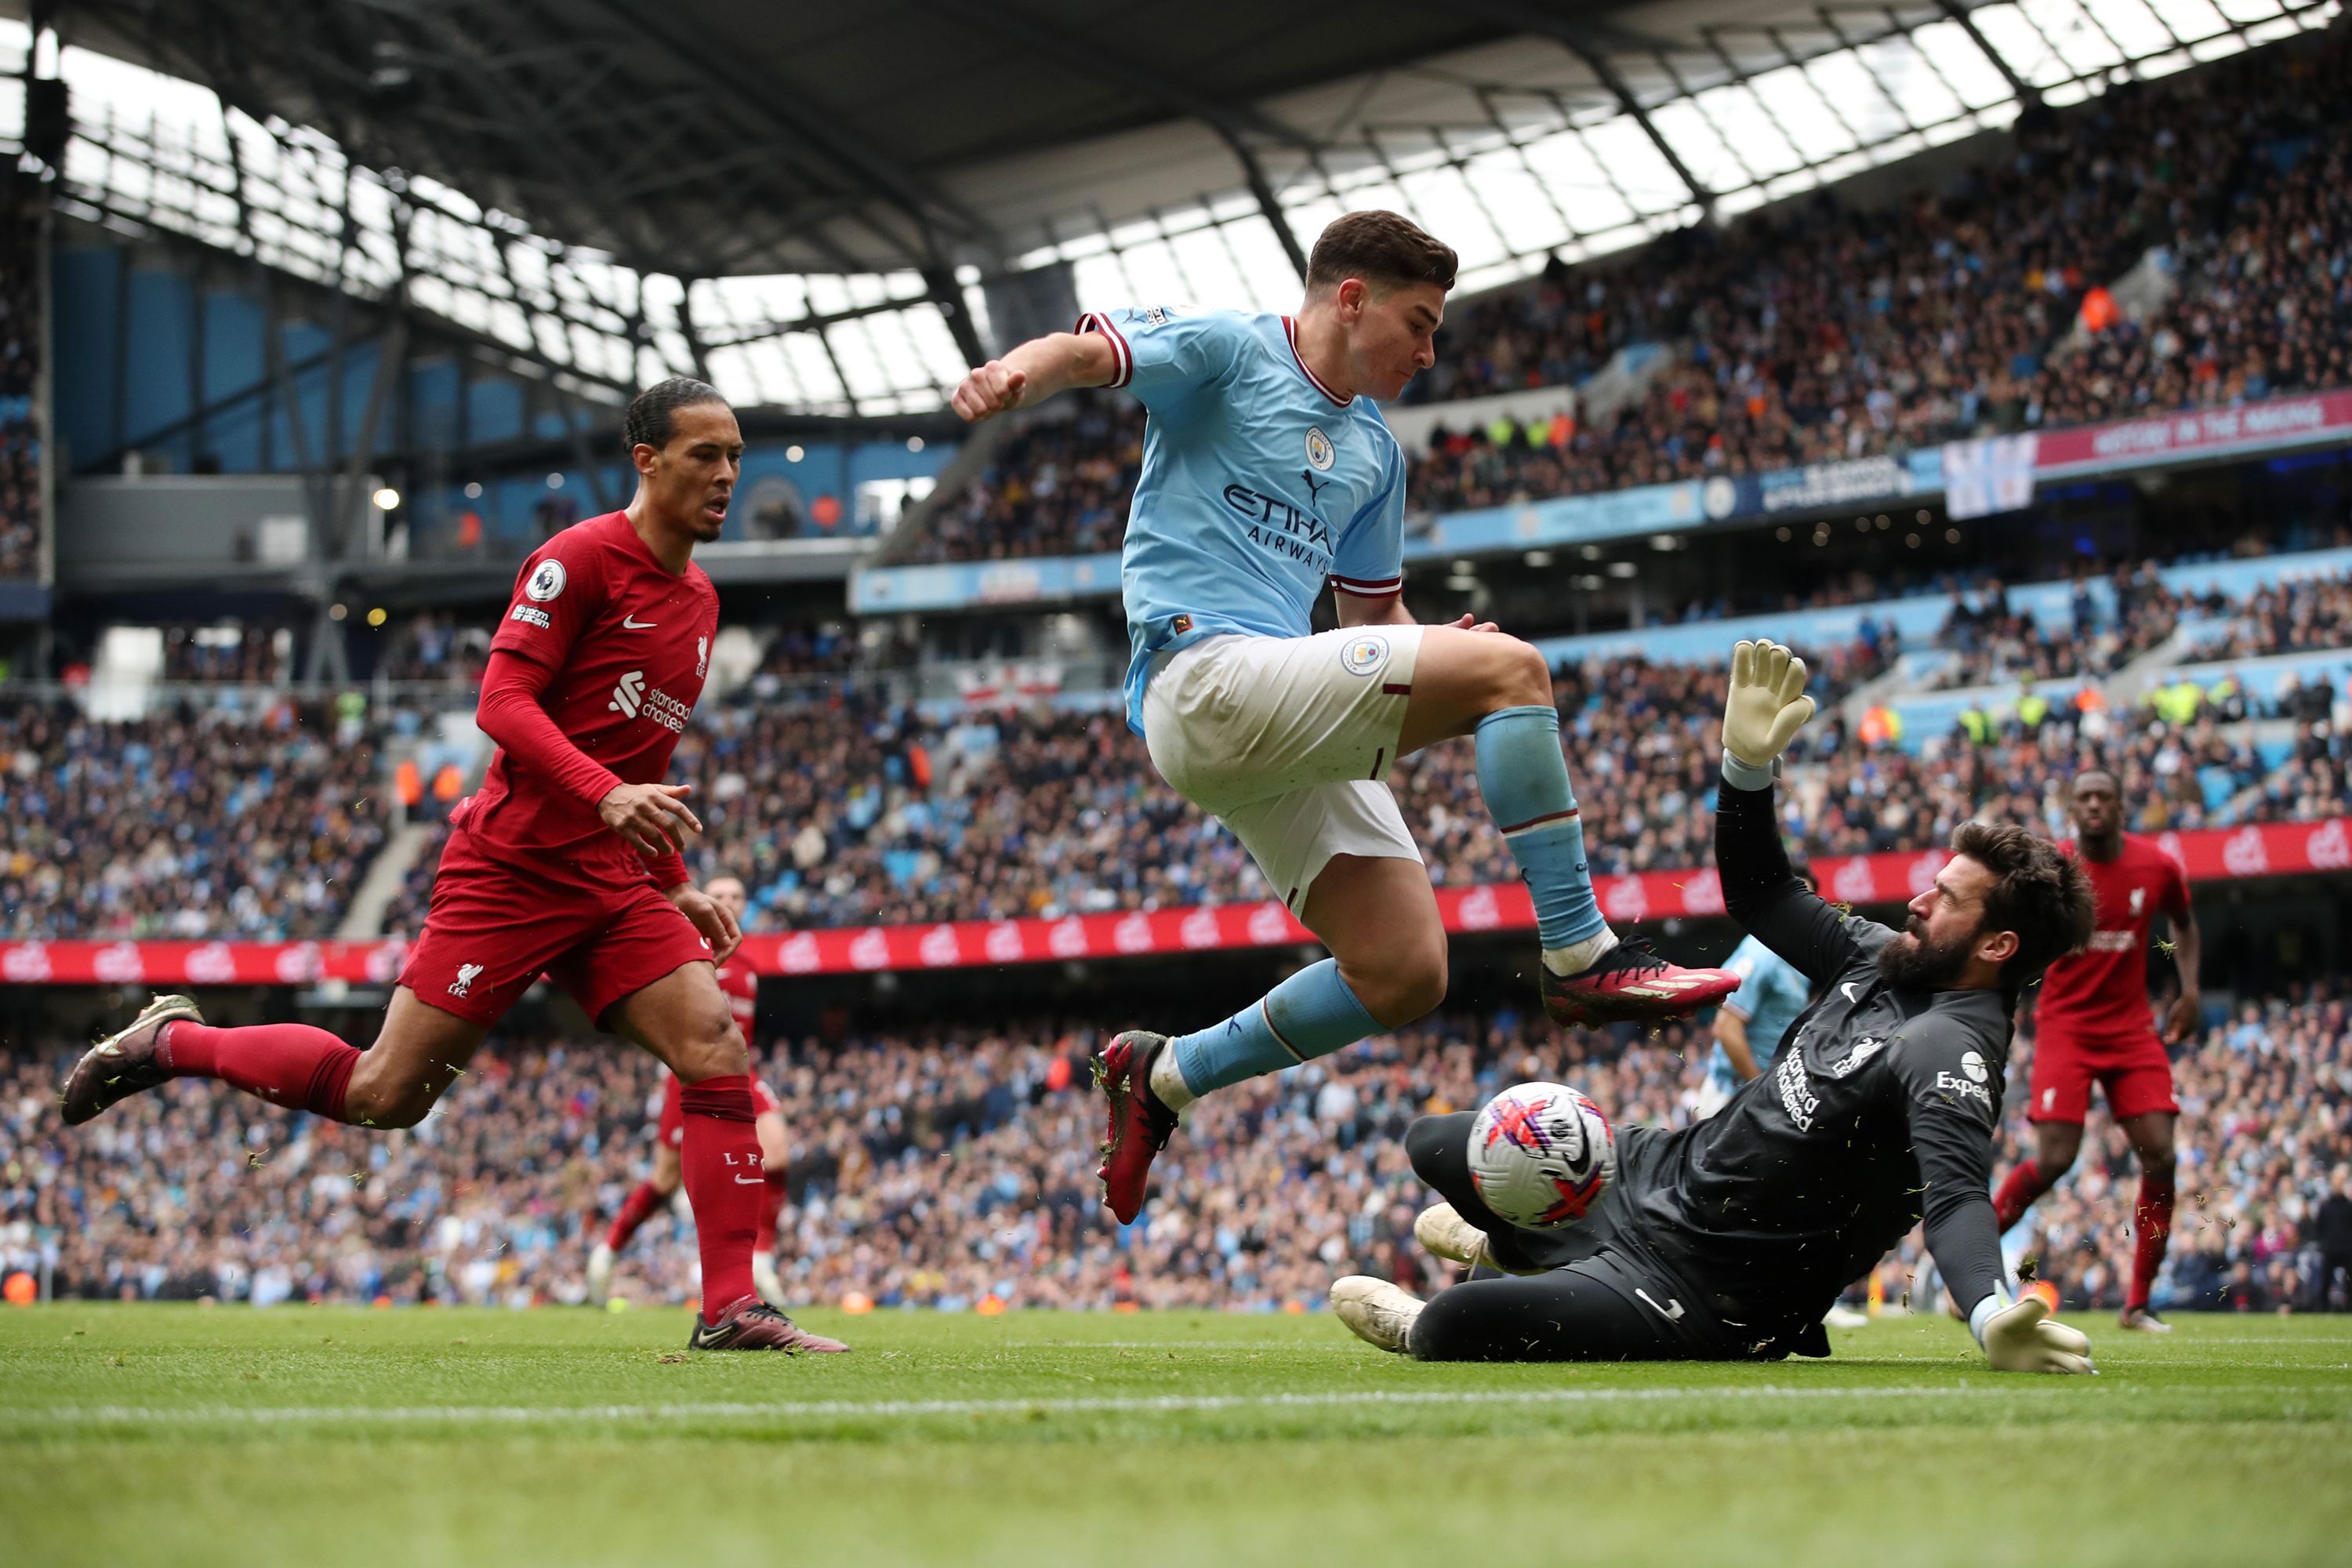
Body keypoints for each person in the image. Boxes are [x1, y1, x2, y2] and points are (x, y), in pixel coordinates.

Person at [949, 209, 1737, 1225]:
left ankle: (1162, 1078)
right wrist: (1013, 375)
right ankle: (1584, 957)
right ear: (1351, 299)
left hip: (1277, 713)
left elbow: (1374, 621)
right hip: (1204, 676)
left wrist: (1446, 653)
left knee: (1406, 970)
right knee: (1515, 671)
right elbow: (1083, 352)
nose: (1430, 349)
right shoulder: (1231, 349)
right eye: (1418, 322)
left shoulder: (1374, 454)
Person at [60, 379, 844, 1355]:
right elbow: (504, 701)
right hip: (510, 870)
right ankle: (171, 1044)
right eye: (704, 454)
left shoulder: (699, 599)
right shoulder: (579, 558)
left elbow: (641, 761)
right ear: (646, 460)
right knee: (384, 1096)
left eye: (736, 453)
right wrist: (602, 795)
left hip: (608, 883)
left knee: (715, 1048)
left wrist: (672, 876)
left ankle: (730, 1307)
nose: (727, 474)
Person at [1327, 639, 2098, 1375]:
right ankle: (1530, 1243)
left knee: (1451, 1323)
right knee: (1435, 1139)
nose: (1919, 899)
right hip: (1656, 1173)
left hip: (1703, 1285)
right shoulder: (1880, 954)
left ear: (1997, 946)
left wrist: (1992, 1310)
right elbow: (1762, 892)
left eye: (1948, 898)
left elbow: (1958, 1195)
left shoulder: (1951, 1048)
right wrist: (1748, 768)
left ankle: (1514, 1253)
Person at [1991, 768, 2199, 1333]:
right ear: (2072, 807)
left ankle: (2137, 1303)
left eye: (2104, 796)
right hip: (2066, 1026)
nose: (2094, 805)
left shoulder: (2156, 865)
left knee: (2162, 1155)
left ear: (2120, 804)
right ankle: (1974, 1263)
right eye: (2084, 797)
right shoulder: (2053, 869)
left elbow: (2183, 919)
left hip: (2132, 1029)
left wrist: (2190, 988)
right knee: (2056, 1158)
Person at [587, 874, 795, 1310]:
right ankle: (607, 1251)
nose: (729, 902)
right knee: (663, 1179)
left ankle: (761, 1257)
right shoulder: (686, 951)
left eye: (737, 896)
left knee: (777, 1150)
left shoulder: (749, 963)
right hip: (688, 1072)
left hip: (741, 1073)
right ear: (701, 901)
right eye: (719, 896)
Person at [1695, 877, 1817, 1121]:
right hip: (1733, 1097)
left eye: (1808, 902)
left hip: (1761, 1097)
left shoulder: (1796, 961)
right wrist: (1760, 1089)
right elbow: (1727, 1028)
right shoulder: (1761, 953)